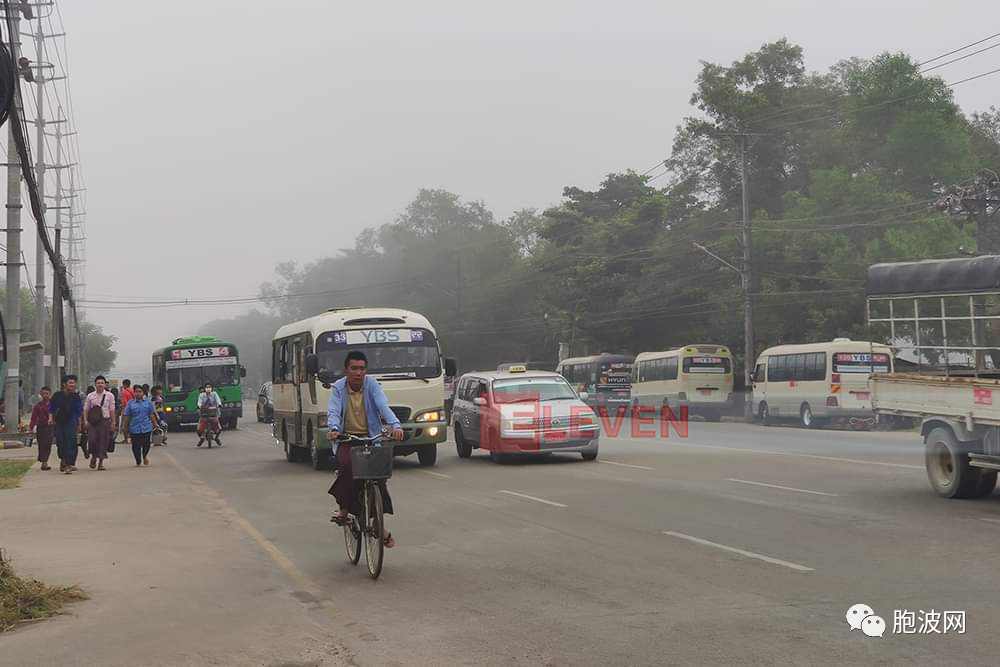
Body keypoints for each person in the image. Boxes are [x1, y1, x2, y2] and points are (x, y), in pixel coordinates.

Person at [327, 350, 404, 548]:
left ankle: (378, 522)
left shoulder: (372, 385)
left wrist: (396, 425)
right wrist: (334, 430)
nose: (358, 372)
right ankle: (344, 509)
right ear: (346, 370)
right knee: (346, 466)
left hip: (371, 438)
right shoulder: (338, 388)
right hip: (347, 438)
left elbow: (383, 406)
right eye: (354, 368)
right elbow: (334, 412)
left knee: (379, 477)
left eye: (362, 368)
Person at [49, 375, 84, 474]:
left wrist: (80, 424)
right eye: (70, 382)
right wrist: (50, 418)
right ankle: (63, 459)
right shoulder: (57, 395)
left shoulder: (76, 397)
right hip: (59, 422)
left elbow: (79, 411)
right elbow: (51, 408)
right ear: (64, 384)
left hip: (71, 422)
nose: (72, 385)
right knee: (60, 442)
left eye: (74, 383)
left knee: (71, 442)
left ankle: (69, 464)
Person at [84, 376, 117, 471]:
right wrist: (85, 421)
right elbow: (86, 409)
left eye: (102, 383)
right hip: (93, 422)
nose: (100, 385)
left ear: (105, 384)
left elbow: (112, 410)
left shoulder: (110, 396)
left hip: (105, 421)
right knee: (92, 440)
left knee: (103, 441)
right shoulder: (90, 396)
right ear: (95, 384)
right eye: (98, 383)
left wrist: (113, 422)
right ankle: (94, 457)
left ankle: (101, 463)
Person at [122, 385, 160, 467]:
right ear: (134, 393)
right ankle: (138, 460)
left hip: (146, 427)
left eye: (140, 392)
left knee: (147, 444)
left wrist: (155, 424)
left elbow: (151, 414)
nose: (138, 393)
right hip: (134, 428)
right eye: (136, 392)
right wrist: (125, 427)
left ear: (143, 393)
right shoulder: (130, 403)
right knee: (136, 446)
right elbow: (127, 416)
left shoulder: (148, 403)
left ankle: (144, 455)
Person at [29, 387, 54, 471]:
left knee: (48, 444)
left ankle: (45, 461)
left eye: (47, 393)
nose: (45, 395)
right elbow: (33, 417)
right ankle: (44, 462)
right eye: (43, 393)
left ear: (50, 394)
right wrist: (31, 428)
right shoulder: (38, 406)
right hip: (40, 427)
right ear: (40, 394)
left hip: (50, 427)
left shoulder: (53, 404)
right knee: (41, 445)